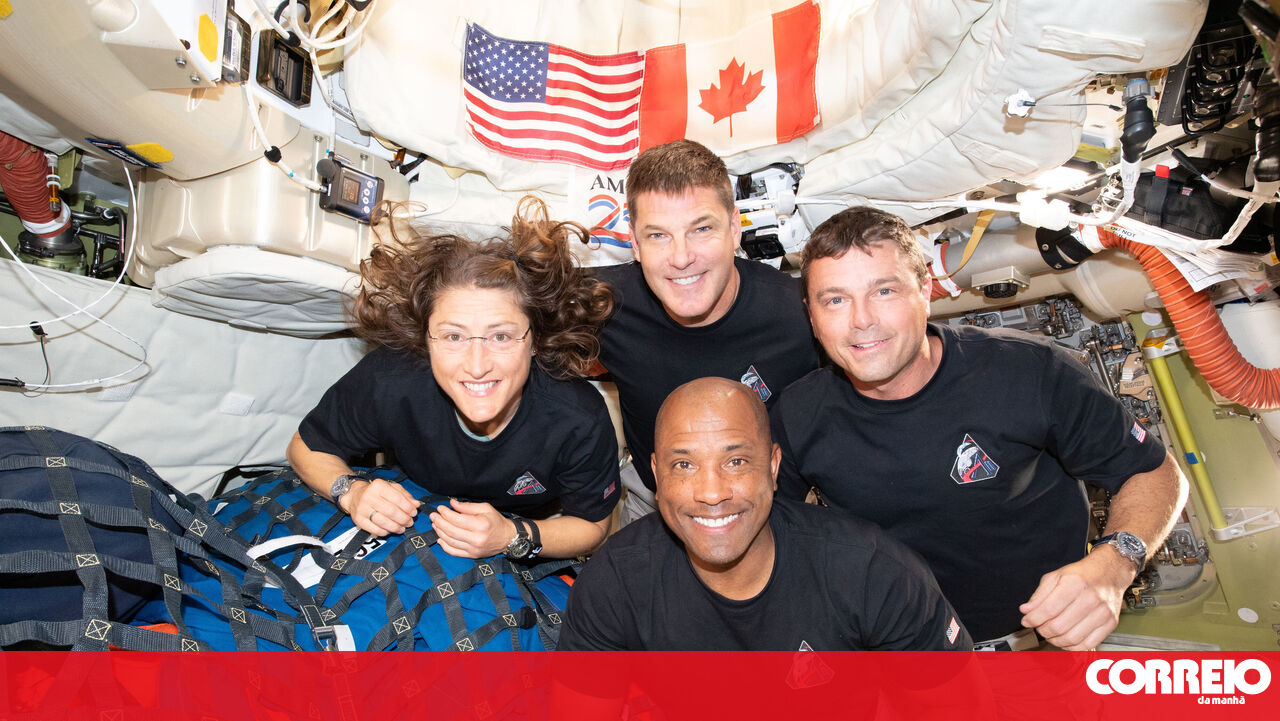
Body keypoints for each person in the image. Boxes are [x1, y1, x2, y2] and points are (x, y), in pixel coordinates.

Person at [770, 206, 1189, 650]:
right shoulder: (796, 415)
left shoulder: (1028, 371)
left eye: (884, 291)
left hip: (1039, 640)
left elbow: (1153, 472)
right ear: (812, 316)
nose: (861, 319)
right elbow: (766, 532)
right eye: (835, 300)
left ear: (925, 291)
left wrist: (1115, 564)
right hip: (899, 651)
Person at [287, 197, 621, 560]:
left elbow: (593, 526)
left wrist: (510, 536)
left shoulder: (578, 418)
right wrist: (351, 492)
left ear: (535, 340)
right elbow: (306, 446)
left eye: (501, 336)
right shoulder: (390, 378)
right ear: (425, 339)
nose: (476, 366)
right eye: (453, 337)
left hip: (524, 528)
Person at [558, 377, 971, 651]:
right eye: (684, 465)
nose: (712, 493)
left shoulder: (872, 571)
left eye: (736, 462)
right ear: (656, 475)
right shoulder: (614, 583)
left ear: (773, 468)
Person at [592, 140, 819, 522]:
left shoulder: (798, 313)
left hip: (774, 508)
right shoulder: (603, 304)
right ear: (634, 243)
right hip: (654, 505)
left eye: (701, 228)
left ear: (734, 228)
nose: (681, 257)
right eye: (658, 235)